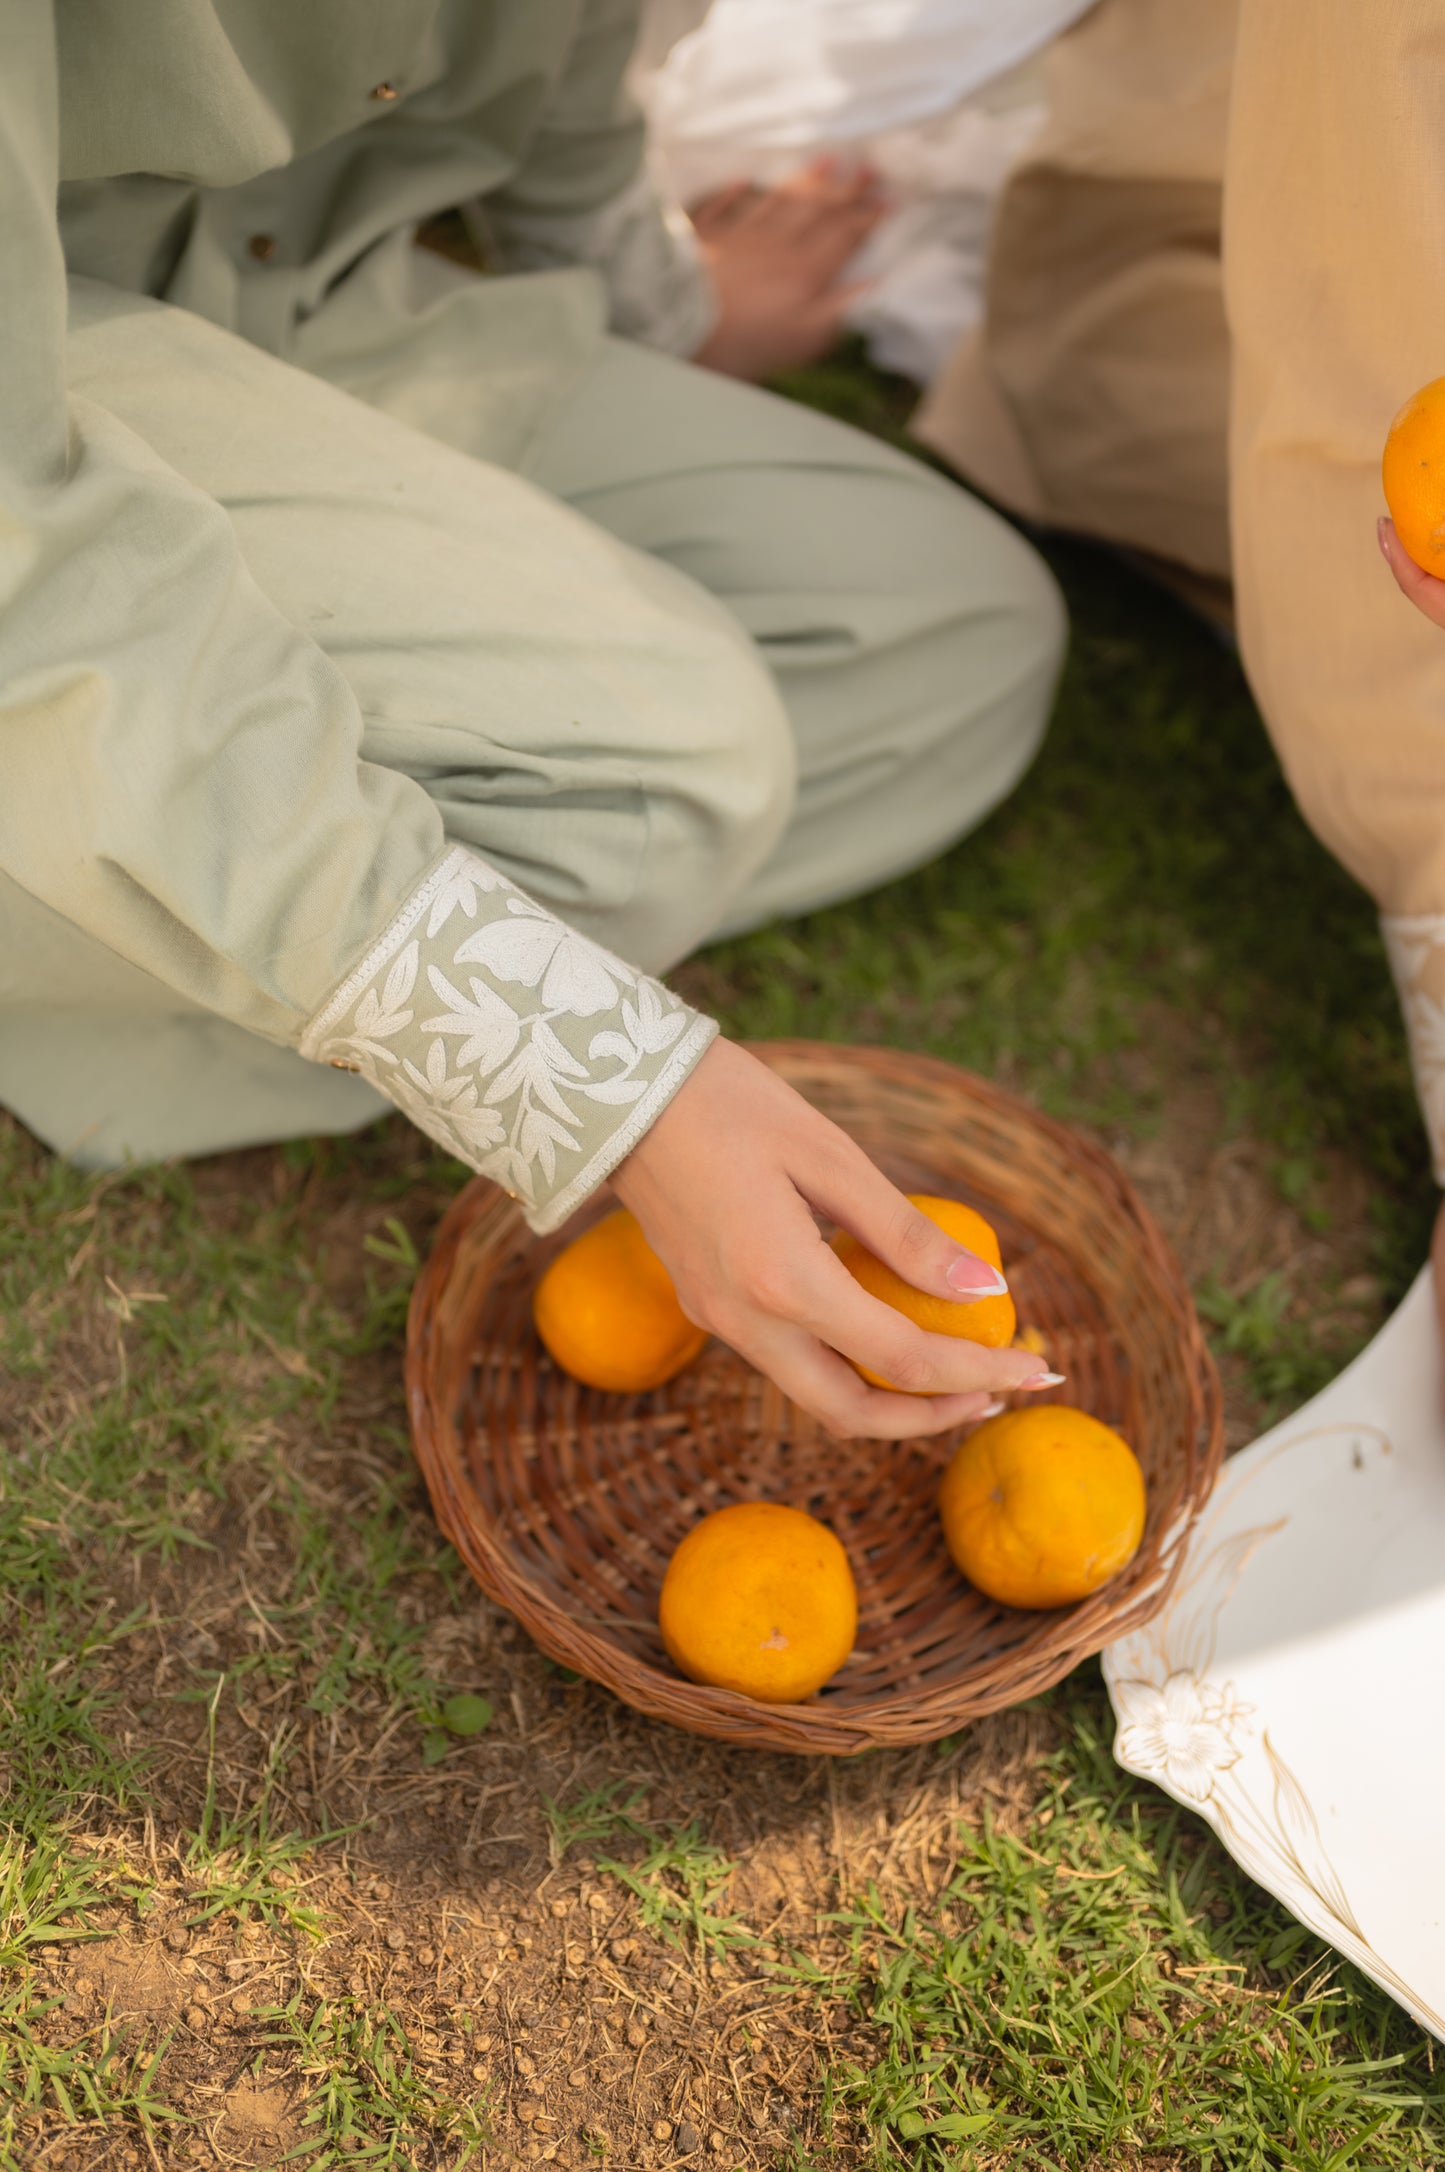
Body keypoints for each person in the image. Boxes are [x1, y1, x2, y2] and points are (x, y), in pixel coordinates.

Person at [1, 4, 1067, 1438]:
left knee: (951, 637)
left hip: (298, 297)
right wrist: (604, 1091)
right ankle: (121, 896)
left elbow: (568, 45)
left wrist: (663, 301)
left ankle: (210, 881)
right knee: (680, 779)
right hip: (40, 385)